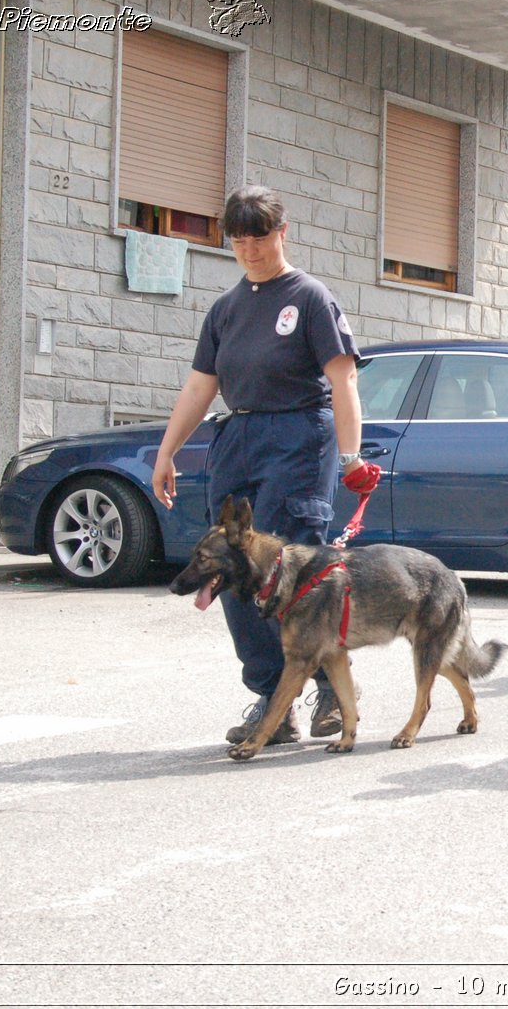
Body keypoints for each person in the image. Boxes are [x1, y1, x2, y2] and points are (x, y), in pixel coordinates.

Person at [152, 185, 368, 746]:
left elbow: (342, 377)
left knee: (295, 566)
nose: (249, 249)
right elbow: (202, 384)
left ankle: (326, 686)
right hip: (239, 436)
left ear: (282, 233)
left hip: (299, 432)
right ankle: (270, 698)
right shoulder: (225, 310)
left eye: (260, 236)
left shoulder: (311, 298)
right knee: (233, 567)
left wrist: (350, 455)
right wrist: (167, 450)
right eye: (239, 239)